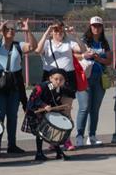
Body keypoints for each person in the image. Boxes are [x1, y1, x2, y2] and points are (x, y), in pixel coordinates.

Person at [0, 19, 36, 154]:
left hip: (13, 87)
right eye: (8, 29)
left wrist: (28, 30)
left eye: (13, 29)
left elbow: (33, 47)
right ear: (3, 31)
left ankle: (12, 145)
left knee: (12, 117)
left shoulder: (18, 45)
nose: (11, 31)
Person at [36, 20, 85, 151]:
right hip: (51, 79)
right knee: (52, 108)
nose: (59, 32)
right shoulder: (47, 43)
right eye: (56, 30)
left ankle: (67, 140)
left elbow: (82, 49)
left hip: (67, 79)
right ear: (52, 31)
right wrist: (47, 33)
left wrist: (75, 35)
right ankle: (54, 139)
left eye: (60, 30)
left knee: (66, 109)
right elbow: (37, 50)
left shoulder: (69, 42)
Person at [75, 16, 111, 147]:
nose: (96, 28)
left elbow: (109, 60)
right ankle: (79, 136)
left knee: (95, 109)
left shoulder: (104, 43)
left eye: (99, 26)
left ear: (102, 28)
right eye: (94, 26)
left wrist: (98, 59)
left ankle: (92, 136)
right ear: (90, 27)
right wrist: (84, 55)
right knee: (84, 108)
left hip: (99, 79)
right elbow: (74, 55)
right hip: (85, 78)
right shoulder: (84, 41)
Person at [21, 68, 69, 162]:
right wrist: (44, 105)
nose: (58, 81)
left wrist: (60, 107)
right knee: (40, 133)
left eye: (61, 80)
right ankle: (39, 153)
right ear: (50, 78)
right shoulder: (42, 86)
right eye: (56, 79)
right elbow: (34, 98)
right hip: (34, 112)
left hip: (45, 112)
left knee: (51, 131)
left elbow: (54, 101)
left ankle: (58, 152)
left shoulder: (58, 89)